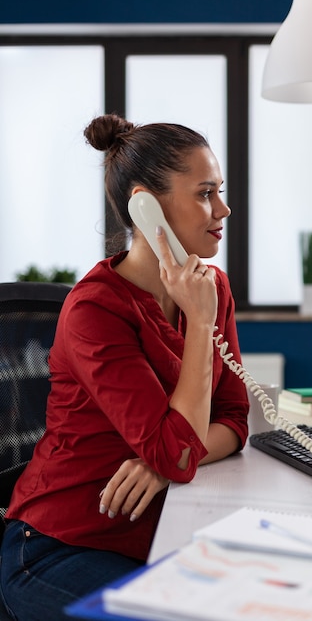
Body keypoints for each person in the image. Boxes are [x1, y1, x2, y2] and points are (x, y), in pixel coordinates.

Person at [0, 114, 249, 620]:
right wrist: (200, 327)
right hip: (58, 547)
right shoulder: (97, 309)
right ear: (146, 205)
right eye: (204, 193)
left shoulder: (211, 287)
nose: (223, 208)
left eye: (219, 191)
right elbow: (178, 451)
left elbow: (234, 420)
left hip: (156, 533)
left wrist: (165, 465)